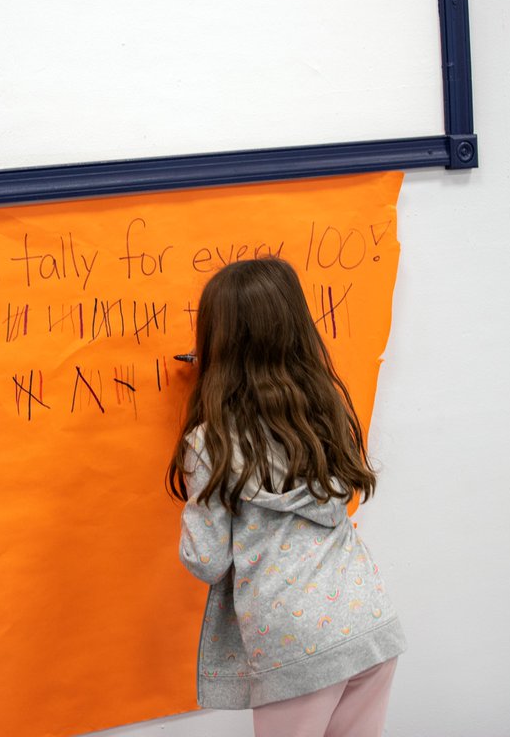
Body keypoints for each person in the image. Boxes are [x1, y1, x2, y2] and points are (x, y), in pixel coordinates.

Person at [167, 257, 406, 737]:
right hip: (366, 621)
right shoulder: (324, 410)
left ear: (218, 343)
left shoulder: (209, 441)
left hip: (295, 645)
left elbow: (206, 558)